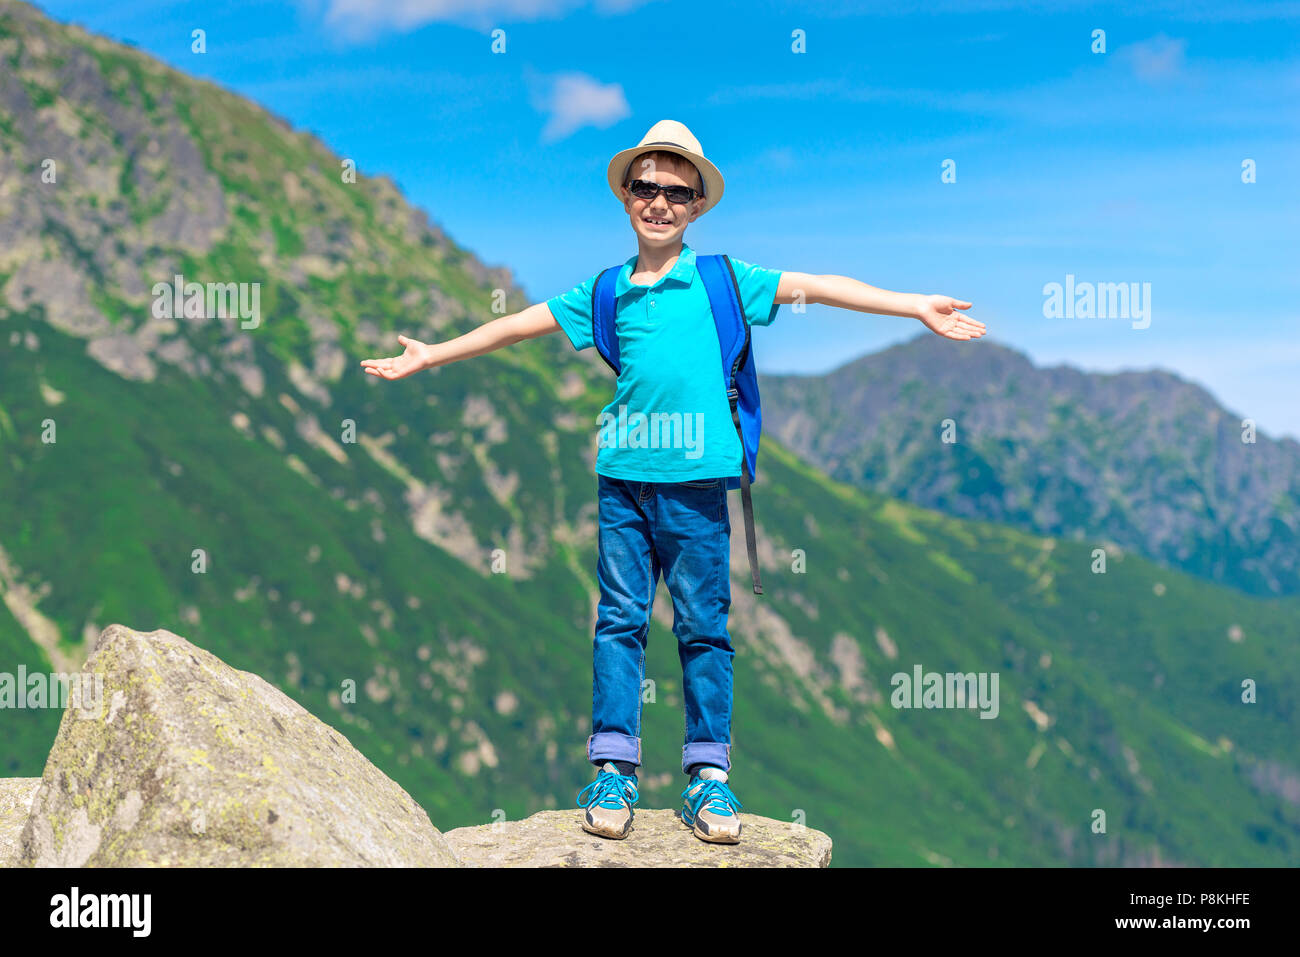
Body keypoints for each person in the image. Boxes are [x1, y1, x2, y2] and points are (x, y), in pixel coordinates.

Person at [361, 119, 985, 845]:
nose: (659, 202)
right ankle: (613, 769)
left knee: (702, 629)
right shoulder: (605, 291)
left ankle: (708, 779)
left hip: (696, 488)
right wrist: (431, 354)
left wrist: (912, 304)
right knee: (620, 622)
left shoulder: (725, 281)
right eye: (646, 187)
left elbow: (816, 284)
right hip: (622, 481)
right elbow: (518, 324)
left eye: (676, 192)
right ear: (626, 195)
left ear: (697, 207)